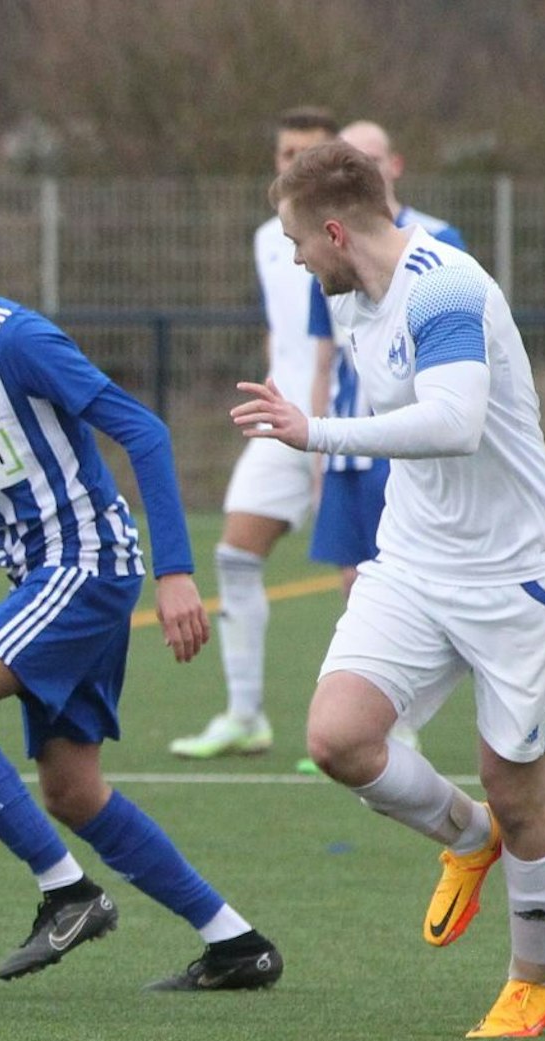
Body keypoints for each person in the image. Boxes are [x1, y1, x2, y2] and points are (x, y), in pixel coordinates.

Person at [0, 180, 284, 991]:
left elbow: (143, 432)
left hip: (84, 565)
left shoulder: (14, 339)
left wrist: (175, 572)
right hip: (41, 574)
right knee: (72, 792)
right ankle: (236, 944)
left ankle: (68, 893)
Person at [234, 141, 545, 1037]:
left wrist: (313, 432)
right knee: (338, 738)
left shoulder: (444, 287)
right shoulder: (353, 297)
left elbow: (455, 422)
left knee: (518, 796)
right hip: (413, 563)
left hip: (515, 575)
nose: (294, 259)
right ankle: (467, 838)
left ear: (333, 232)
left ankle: (536, 981)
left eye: (295, 241)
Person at [171, 107, 341, 760]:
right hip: (281, 422)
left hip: (351, 427)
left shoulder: (358, 233)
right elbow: (281, 328)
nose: (293, 164)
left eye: (308, 153)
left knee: (366, 575)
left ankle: (384, 726)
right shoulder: (267, 237)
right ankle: (244, 716)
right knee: (234, 555)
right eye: (285, 153)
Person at [309, 120, 465, 598]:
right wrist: (317, 456)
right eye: (347, 162)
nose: (359, 172)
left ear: (394, 166)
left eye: (370, 160)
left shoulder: (438, 241)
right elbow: (323, 360)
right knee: (354, 582)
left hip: (405, 439)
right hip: (347, 443)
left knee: (410, 579)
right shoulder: (324, 251)